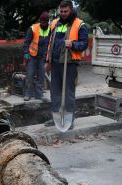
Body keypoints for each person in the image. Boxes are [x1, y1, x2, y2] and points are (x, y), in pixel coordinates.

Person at [46, 0, 88, 129]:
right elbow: (50, 43)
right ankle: (56, 117)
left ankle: (70, 119)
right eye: (61, 11)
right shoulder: (54, 23)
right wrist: (48, 61)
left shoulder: (80, 24)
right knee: (55, 92)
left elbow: (84, 44)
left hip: (69, 64)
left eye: (66, 11)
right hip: (55, 62)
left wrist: (73, 44)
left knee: (68, 92)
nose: (63, 14)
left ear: (71, 10)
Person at [23, 11, 50, 101]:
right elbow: (26, 42)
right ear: (39, 21)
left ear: (47, 22)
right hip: (32, 56)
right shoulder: (33, 28)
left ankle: (39, 95)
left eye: (44, 22)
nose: (43, 24)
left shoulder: (50, 30)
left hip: (43, 57)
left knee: (41, 76)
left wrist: (48, 58)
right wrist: (26, 52)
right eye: (41, 22)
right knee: (30, 75)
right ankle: (27, 94)